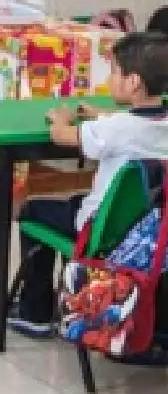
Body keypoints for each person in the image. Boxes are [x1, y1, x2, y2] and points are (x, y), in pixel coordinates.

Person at [9, 32, 168, 338]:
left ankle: (36, 313)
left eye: (115, 72)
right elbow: (135, 124)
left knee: (32, 209)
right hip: (148, 234)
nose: (111, 79)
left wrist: (61, 118)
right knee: (81, 200)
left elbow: (62, 137)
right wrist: (102, 116)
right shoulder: (143, 124)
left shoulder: (114, 130)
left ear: (133, 82)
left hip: (100, 232)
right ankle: (72, 296)